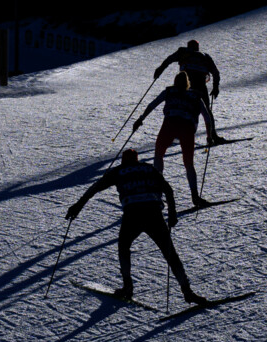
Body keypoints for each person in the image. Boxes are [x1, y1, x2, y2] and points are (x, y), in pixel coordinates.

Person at [65, 148, 208, 305]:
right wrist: (172, 213)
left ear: (123, 161)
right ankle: (187, 291)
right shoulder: (148, 168)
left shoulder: (119, 171)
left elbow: (94, 189)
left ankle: (128, 286)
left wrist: (77, 206)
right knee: (170, 254)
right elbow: (168, 190)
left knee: (124, 247)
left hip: (132, 215)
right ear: (137, 159)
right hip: (154, 214)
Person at [133, 71, 217, 208]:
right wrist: (209, 137)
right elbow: (207, 117)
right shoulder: (196, 96)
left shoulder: (169, 92)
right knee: (188, 163)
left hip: (169, 124)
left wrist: (140, 119)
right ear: (188, 83)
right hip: (187, 128)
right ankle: (195, 197)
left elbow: (152, 105)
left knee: (158, 155)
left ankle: (157, 194)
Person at [154, 39, 225, 144]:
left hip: (185, 85)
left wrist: (159, 69)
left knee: (182, 108)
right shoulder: (204, 57)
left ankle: (176, 133)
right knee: (206, 111)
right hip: (201, 85)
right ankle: (212, 136)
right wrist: (215, 87)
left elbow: (169, 60)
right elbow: (215, 72)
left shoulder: (183, 53)